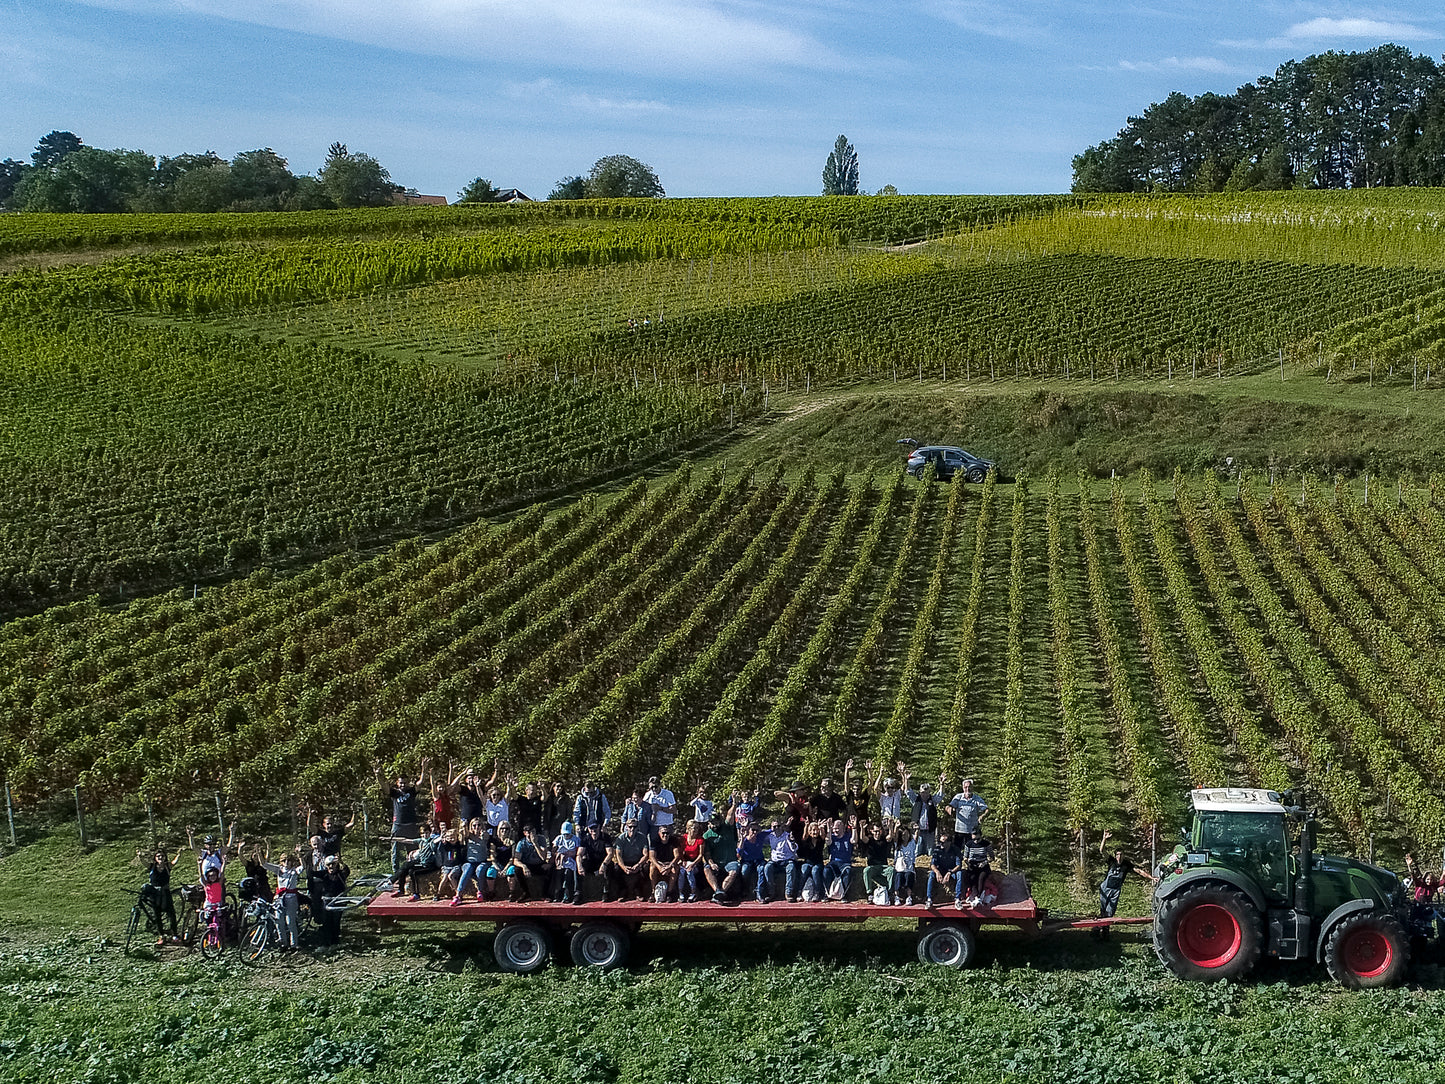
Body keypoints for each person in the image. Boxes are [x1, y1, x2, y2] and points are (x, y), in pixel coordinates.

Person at [1095, 830, 1157, 937]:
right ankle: (1097, 929)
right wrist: (1104, 839)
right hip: (1105, 888)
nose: (1119, 857)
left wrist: (1151, 878)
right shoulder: (1111, 861)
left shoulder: (1126, 865)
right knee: (1103, 910)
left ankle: (1105, 932)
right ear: (1115, 856)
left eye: (1121, 855)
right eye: (1117, 855)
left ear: (1124, 855)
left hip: (1115, 891)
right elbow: (1102, 850)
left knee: (1110, 912)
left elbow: (1139, 871)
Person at [377, 761, 424, 876]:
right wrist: (378, 775)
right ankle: (396, 873)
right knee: (395, 851)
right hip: (398, 824)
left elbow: (420, 783)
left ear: (408, 782)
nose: (403, 785)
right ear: (397, 783)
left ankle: (412, 871)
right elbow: (384, 787)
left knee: (413, 850)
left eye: (405, 783)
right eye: (401, 783)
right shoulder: (395, 793)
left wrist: (424, 769)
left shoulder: (411, 791)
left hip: (411, 825)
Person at [136, 845, 183, 942]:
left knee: (171, 914)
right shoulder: (152, 867)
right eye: (158, 856)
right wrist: (140, 856)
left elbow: (174, 862)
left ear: (165, 857)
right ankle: (161, 935)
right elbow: (144, 862)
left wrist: (179, 855)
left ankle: (175, 934)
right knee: (157, 915)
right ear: (155, 858)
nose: (160, 857)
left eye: (162, 856)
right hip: (154, 894)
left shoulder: (167, 866)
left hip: (165, 892)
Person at [264, 847, 306, 950]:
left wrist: (299, 856)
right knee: (279, 921)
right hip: (279, 899)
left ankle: (294, 944)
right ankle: (283, 943)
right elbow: (264, 864)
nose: (286, 862)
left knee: (290, 921)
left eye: (288, 860)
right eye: (284, 860)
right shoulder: (279, 869)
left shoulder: (294, 871)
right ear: (281, 862)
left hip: (291, 898)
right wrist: (259, 852)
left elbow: (303, 867)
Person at [309, 853, 350, 946]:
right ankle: (327, 942)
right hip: (327, 900)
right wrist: (315, 865)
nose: (331, 867)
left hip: (339, 899)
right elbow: (311, 873)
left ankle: (336, 941)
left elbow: (347, 870)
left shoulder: (340, 874)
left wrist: (341, 861)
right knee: (327, 920)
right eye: (328, 865)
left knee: (336, 920)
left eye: (333, 864)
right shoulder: (324, 873)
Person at [392, 824, 441, 901]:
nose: (425, 835)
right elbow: (406, 840)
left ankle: (416, 894)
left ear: (430, 833)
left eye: (427, 833)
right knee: (405, 868)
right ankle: (401, 890)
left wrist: (443, 833)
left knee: (413, 872)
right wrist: (392, 839)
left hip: (429, 865)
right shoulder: (420, 841)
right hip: (421, 863)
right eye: (423, 833)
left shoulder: (432, 841)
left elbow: (438, 839)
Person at [450, 819, 491, 906]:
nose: (476, 827)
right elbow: (463, 834)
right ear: (471, 827)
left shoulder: (485, 835)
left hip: (482, 862)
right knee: (467, 869)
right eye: (474, 825)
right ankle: (458, 895)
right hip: (470, 862)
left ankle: (480, 891)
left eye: (479, 825)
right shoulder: (469, 836)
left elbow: (486, 837)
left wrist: (482, 836)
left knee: (480, 870)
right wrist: (464, 825)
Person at [608, 819, 650, 901]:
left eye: (634, 827)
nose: (632, 829)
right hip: (625, 862)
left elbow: (645, 855)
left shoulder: (642, 837)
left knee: (646, 867)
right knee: (616, 869)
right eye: (630, 827)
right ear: (626, 827)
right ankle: (622, 891)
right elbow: (618, 855)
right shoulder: (621, 838)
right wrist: (624, 867)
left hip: (638, 861)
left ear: (638, 827)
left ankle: (639, 891)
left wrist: (638, 865)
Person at [702, 810, 739, 900]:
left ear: (720, 821)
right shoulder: (706, 836)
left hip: (730, 861)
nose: (714, 825)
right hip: (716, 862)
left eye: (716, 822)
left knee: (733, 871)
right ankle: (717, 891)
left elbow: (730, 815)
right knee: (706, 868)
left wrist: (734, 805)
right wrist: (712, 864)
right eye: (712, 823)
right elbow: (707, 854)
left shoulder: (727, 828)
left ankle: (722, 892)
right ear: (709, 823)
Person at [764, 819, 800, 902]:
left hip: (787, 860)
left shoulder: (787, 836)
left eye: (778, 826)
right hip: (774, 861)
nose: (777, 828)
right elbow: (759, 838)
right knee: (767, 868)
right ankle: (771, 892)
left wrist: (792, 841)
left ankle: (788, 893)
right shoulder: (770, 836)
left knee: (791, 868)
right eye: (774, 826)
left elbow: (794, 849)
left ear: (782, 826)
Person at [906, 777, 940, 859]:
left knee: (930, 852)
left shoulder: (933, 800)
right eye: (922, 793)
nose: (924, 795)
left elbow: (940, 795)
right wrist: (906, 780)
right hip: (918, 831)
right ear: (920, 792)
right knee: (917, 851)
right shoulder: (916, 800)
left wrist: (942, 784)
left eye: (926, 793)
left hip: (929, 831)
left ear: (929, 793)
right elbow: (908, 791)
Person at [514, 826, 551, 900]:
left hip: (539, 864)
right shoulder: (521, 843)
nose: (532, 834)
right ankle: (526, 893)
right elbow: (516, 860)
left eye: (533, 832)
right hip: (528, 865)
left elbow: (543, 857)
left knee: (550, 869)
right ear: (525, 833)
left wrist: (535, 843)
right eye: (529, 832)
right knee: (517, 870)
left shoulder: (541, 839)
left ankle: (545, 894)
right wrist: (524, 866)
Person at [926, 831, 962, 907]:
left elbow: (959, 865)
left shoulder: (955, 850)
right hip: (941, 870)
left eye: (943, 842)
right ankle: (929, 899)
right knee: (931, 874)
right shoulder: (937, 849)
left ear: (949, 843)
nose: (940, 844)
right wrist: (937, 872)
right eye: (940, 842)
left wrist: (950, 872)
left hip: (952, 870)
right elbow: (932, 864)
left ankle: (957, 899)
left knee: (960, 874)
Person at [735, 822, 768, 903]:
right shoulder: (745, 840)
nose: (755, 832)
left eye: (757, 830)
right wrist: (742, 839)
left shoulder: (760, 836)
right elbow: (739, 853)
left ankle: (759, 892)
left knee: (762, 869)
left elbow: (772, 830)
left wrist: (785, 825)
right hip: (747, 861)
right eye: (753, 830)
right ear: (748, 830)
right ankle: (745, 889)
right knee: (744, 871)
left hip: (759, 860)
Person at [860, 823, 893, 904]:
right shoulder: (870, 840)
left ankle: (890, 892)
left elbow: (890, 837)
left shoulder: (884, 839)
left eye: (879, 831)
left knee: (891, 870)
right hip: (873, 866)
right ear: (871, 831)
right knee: (866, 870)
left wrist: (891, 827)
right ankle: (869, 893)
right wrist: (862, 828)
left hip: (883, 867)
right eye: (875, 831)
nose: (877, 833)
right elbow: (862, 838)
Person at [648, 822, 681, 902]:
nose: (665, 835)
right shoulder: (654, 841)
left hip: (670, 863)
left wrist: (669, 866)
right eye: (663, 833)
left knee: (675, 868)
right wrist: (659, 867)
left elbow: (677, 856)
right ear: (659, 833)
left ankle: (669, 893)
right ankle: (653, 892)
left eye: (667, 833)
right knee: (652, 867)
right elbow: (651, 856)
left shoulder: (674, 840)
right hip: (659, 863)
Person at [961, 833, 995, 907]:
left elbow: (992, 857)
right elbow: (965, 857)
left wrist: (985, 862)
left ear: (981, 837)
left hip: (983, 865)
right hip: (972, 865)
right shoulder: (968, 844)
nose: (976, 841)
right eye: (974, 839)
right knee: (972, 877)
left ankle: (979, 896)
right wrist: (968, 863)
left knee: (981, 878)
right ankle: (975, 896)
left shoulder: (986, 844)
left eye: (978, 839)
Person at [823, 819, 854, 900]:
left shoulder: (848, 836)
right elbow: (828, 842)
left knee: (848, 871)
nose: (835, 831)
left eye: (837, 828)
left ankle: (844, 895)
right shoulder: (832, 837)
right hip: (834, 863)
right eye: (834, 828)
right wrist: (829, 829)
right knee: (826, 871)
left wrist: (854, 828)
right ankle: (828, 894)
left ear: (843, 828)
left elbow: (854, 840)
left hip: (845, 863)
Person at [552, 822, 583, 904]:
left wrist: (570, 853)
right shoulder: (558, 838)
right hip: (560, 862)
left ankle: (568, 896)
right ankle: (557, 895)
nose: (566, 836)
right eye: (564, 834)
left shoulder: (576, 839)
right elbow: (553, 850)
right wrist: (558, 853)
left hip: (572, 862)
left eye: (567, 834)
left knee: (568, 874)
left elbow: (578, 852)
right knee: (558, 874)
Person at [676, 821, 707, 902]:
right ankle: (680, 893)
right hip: (685, 860)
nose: (696, 830)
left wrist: (693, 864)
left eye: (697, 828)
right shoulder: (683, 838)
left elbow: (700, 855)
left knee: (689, 871)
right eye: (694, 828)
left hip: (696, 862)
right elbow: (680, 852)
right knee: (682, 871)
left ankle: (693, 893)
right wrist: (683, 860)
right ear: (689, 829)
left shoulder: (700, 840)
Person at [797, 819, 827, 901]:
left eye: (816, 830)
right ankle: (799, 892)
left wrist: (821, 828)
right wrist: (806, 825)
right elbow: (804, 836)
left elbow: (823, 836)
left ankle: (818, 892)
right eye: (813, 830)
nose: (815, 832)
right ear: (810, 831)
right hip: (808, 862)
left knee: (815, 871)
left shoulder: (820, 840)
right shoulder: (807, 839)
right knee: (804, 870)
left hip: (818, 863)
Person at [434, 826, 465, 900]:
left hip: (456, 865)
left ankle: (458, 893)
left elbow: (463, 839)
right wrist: (442, 836)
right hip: (446, 866)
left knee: (451, 876)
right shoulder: (445, 845)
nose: (452, 839)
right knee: (444, 878)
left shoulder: (458, 845)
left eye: (453, 837)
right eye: (450, 837)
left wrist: (462, 831)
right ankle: (438, 893)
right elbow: (435, 842)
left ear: (457, 837)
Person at [891, 824, 919, 905]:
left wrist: (917, 829)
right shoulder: (898, 844)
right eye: (903, 835)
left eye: (906, 834)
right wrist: (896, 827)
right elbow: (894, 836)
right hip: (899, 867)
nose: (905, 837)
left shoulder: (912, 843)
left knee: (909, 875)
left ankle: (909, 897)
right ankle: (896, 897)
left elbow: (916, 837)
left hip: (909, 867)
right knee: (898, 876)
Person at [643, 776, 676, 841]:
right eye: (651, 787)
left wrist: (660, 808)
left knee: (668, 845)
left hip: (666, 825)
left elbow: (674, 810)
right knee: (654, 845)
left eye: (655, 787)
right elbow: (642, 806)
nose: (654, 789)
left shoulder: (668, 794)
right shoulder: (648, 795)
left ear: (659, 785)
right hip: (653, 826)